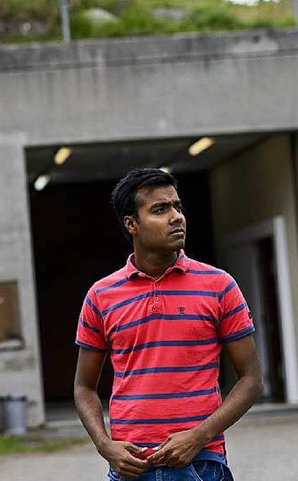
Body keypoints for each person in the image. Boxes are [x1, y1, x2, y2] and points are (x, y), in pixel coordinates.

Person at [73, 168, 262, 481]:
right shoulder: (101, 296)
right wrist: (105, 446)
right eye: (160, 209)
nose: (176, 217)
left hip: (200, 464)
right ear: (131, 224)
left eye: (178, 207)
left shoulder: (219, 285)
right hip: (130, 469)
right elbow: (83, 387)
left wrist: (199, 436)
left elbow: (251, 380)